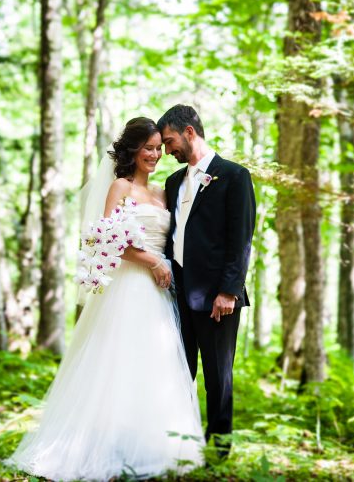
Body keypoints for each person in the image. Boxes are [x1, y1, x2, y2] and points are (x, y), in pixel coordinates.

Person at [6, 117, 204, 481]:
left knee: (153, 367)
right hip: (127, 287)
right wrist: (150, 261)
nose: (156, 155)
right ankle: (102, 448)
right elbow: (105, 241)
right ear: (132, 150)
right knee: (116, 363)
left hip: (159, 294)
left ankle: (149, 446)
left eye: (159, 147)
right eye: (148, 148)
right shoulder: (120, 187)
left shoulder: (163, 193)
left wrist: (165, 266)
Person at [159, 105, 256, 457]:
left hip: (218, 297)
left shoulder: (233, 175)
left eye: (169, 141)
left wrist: (228, 290)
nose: (167, 150)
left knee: (218, 377)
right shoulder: (173, 182)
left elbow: (241, 238)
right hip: (178, 293)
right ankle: (181, 447)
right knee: (179, 370)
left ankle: (219, 452)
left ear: (189, 132)